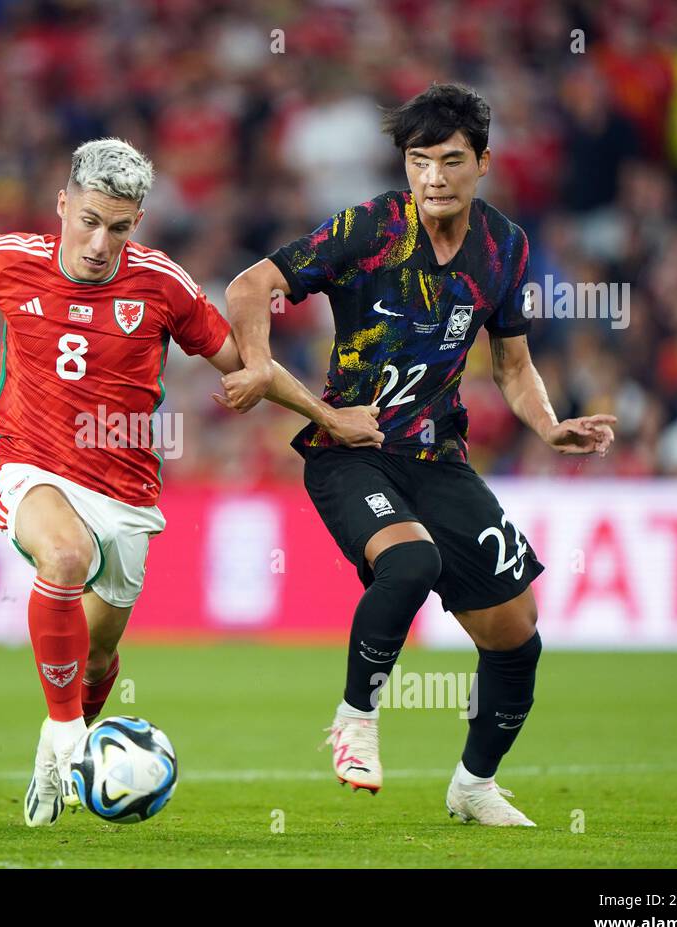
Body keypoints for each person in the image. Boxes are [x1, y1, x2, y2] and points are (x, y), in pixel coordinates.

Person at [0, 137, 376, 826]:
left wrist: (326, 416)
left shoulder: (162, 284)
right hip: (33, 466)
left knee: (99, 656)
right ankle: (68, 739)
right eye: (88, 220)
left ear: (135, 224)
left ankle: (56, 752)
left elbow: (241, 365)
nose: (100, 241)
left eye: (118, 227)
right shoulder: (9, 260)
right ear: (63, 204)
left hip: (129, 495)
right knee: (65, 558)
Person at [222, 83, 616, 826]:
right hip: (351, 446)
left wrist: (548, 424)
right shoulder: (370, 228)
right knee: (411, 561)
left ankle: (472, 785)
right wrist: (258, 363)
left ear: (483, 164)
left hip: (437, 455)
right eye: (419, 161)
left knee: (516, 636)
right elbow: (253, 285)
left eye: (450, 162)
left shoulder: (506, 247)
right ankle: (356, 719)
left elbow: (512, 364)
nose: (433, 178)